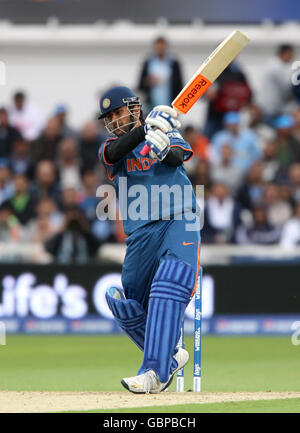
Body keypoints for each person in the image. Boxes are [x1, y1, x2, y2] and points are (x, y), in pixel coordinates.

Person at [98, 86, 201, 393]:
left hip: (178, 218)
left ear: (134, 108)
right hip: (140, 233)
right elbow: (114, 154)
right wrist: (144, 131)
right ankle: (168, 356)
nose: (115, 120)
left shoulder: (165, 132)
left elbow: (178, 157)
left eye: (119, 112)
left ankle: (154, 372)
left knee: (167, 285)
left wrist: (162, 147)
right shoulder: (110, 147)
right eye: (110, 116)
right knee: (125, 304)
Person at [138, 36, 183, 111]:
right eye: (158, 48)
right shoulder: (148, 63)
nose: (160, 50)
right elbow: (141, 84)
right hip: (151, 105)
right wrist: (149, 81)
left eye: (162, 48)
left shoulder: (174, 63)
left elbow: (179, 83)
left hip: (169, 104)